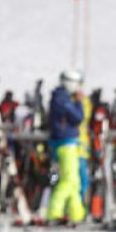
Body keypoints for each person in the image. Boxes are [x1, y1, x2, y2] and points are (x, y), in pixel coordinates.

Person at [46, 69, 86, 223]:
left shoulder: (61, 97)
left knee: (75, 181)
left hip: (68, 142)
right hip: (65, 143)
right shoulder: (61, 98)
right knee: (68, 180)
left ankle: (77, 214)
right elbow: (78, 117)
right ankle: (54, 212)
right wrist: (78, 101)